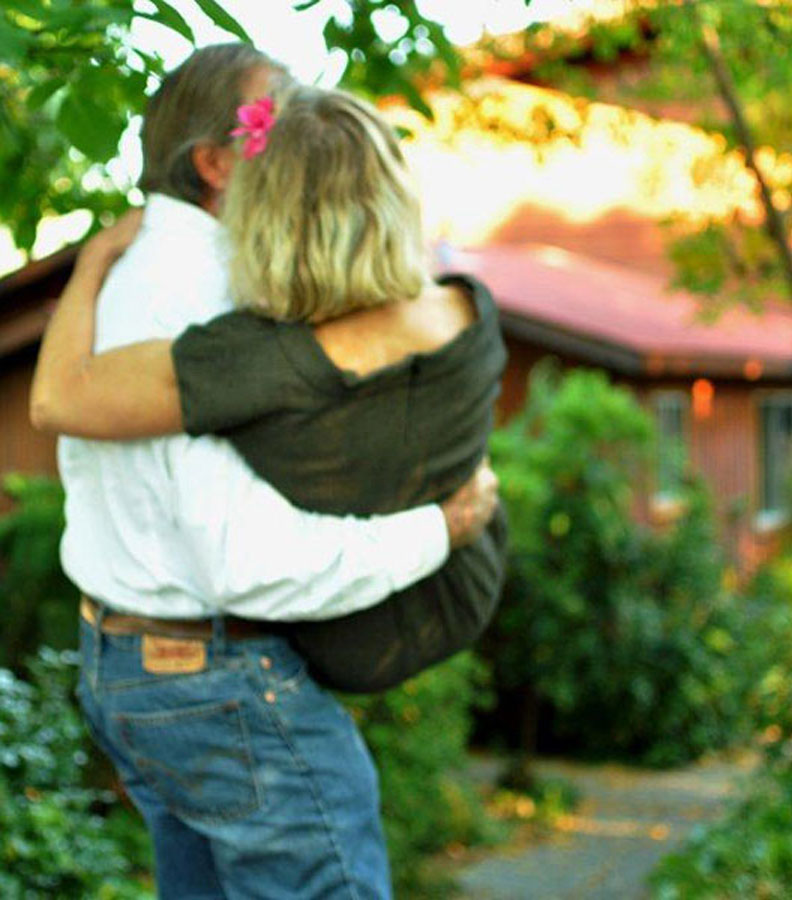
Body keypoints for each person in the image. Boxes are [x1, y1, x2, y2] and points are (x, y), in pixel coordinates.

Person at [30, 47, 499, 900]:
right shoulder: (210, 298)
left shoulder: (141, 273)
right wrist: (446, 526)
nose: (307, 128)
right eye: (279, 117)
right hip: (217, 684)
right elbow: (254, 565)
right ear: (215, 163)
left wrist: (92, 260)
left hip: (130, 668)